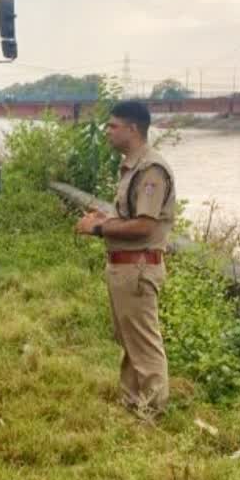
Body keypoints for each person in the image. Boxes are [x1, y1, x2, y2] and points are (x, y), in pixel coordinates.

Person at [74, 100, 177, 418]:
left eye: (113, 126)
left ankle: (153, 411)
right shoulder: (134, 167)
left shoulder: (151, 171)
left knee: (144, 344)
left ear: (133, 129)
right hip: (126, 266)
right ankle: (134, 403)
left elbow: (145, 225)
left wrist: (100, 227)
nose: (107, 132)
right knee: (130, 340)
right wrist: (108, 219)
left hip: (138, 267)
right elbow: (133, 216)